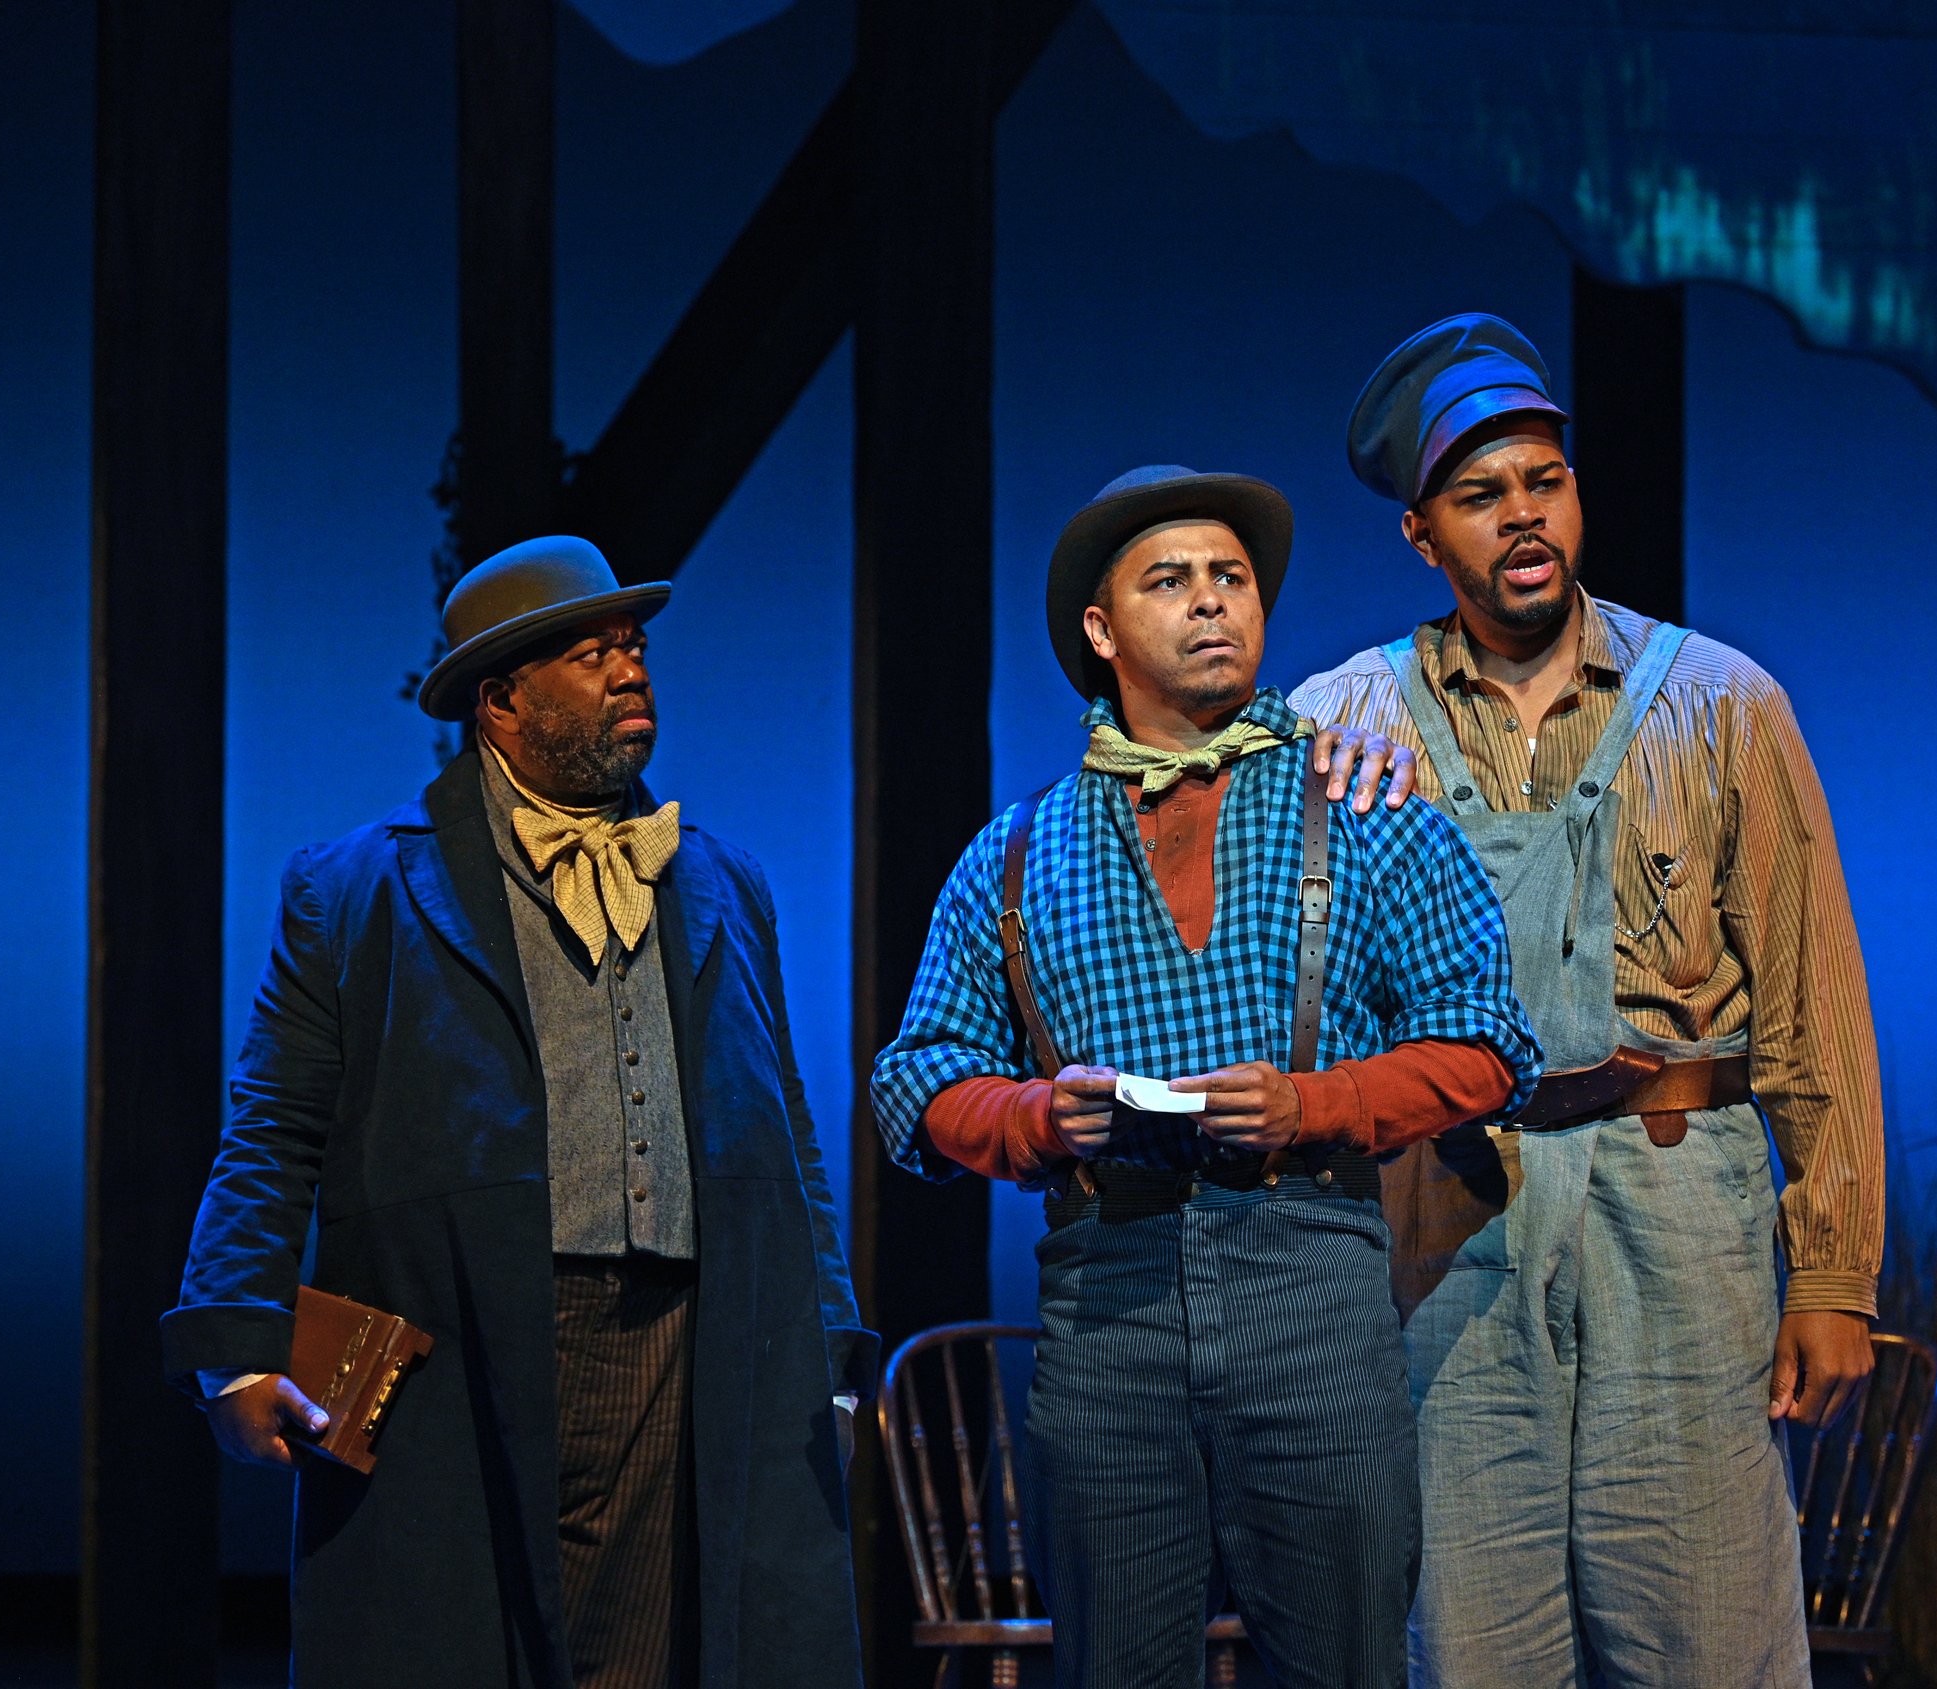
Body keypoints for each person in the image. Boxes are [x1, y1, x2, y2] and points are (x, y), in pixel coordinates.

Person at [870, 466, 1542, 1689]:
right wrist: (1038, 1115)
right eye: (1168, 581)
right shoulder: (1017, 853)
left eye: (1230, 577)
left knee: (1341, 1659)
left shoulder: (1370, 807)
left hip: (1312, 1280)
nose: (1210, 603)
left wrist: (1315, 1104)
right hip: (1105, 1301)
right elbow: (918, 1083)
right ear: (1100, 629)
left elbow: (1487, 1045)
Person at [1289, 314, 1887, 1688]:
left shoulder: (1723, 704)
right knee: (1468, 1641)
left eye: (1542, 482)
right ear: (1423, 535)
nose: (1522, 519)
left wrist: (1836, 1270)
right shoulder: (1341, 722)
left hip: (1676, 1209)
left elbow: (1815, 1007)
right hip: (1449, 1218)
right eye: (1481, 495)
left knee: (1707, 1634)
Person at [161, 537, 872, 1689]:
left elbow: (781, 1128)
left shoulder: (721, 879)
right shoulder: (356, 889)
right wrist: (234, 1352)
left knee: (652, 1653)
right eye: (588, 656)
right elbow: (274, 1124)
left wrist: (829, 1349)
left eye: (631, 648)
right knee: (459, 1643)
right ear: (500, 702)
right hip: (465, 1330)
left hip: (683, 1335)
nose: (627, 672)